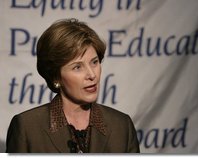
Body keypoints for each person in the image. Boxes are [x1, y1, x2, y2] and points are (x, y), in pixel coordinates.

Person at [6, 18, 140, 153]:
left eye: (94, 62)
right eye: (77, 67)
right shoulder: (27, 128)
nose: (92, 75)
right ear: (56, 76)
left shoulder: (122, 126)